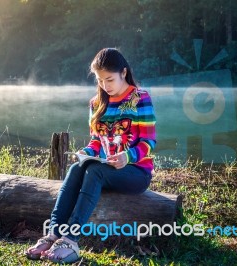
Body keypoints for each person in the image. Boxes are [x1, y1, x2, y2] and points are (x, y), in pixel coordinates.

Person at [25, 48, 156, 263]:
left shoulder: (140, 98)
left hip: (136, 172)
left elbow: (149, 142)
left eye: (110, 79)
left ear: (123, 73)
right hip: (107, 169)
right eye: (100, 80)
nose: (105, 86)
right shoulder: (97, 103)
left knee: (95, 172)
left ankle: (71, 239)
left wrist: (127, 157)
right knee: (76, 168)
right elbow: (96, 142)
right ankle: (54, 234)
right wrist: (85, 152)